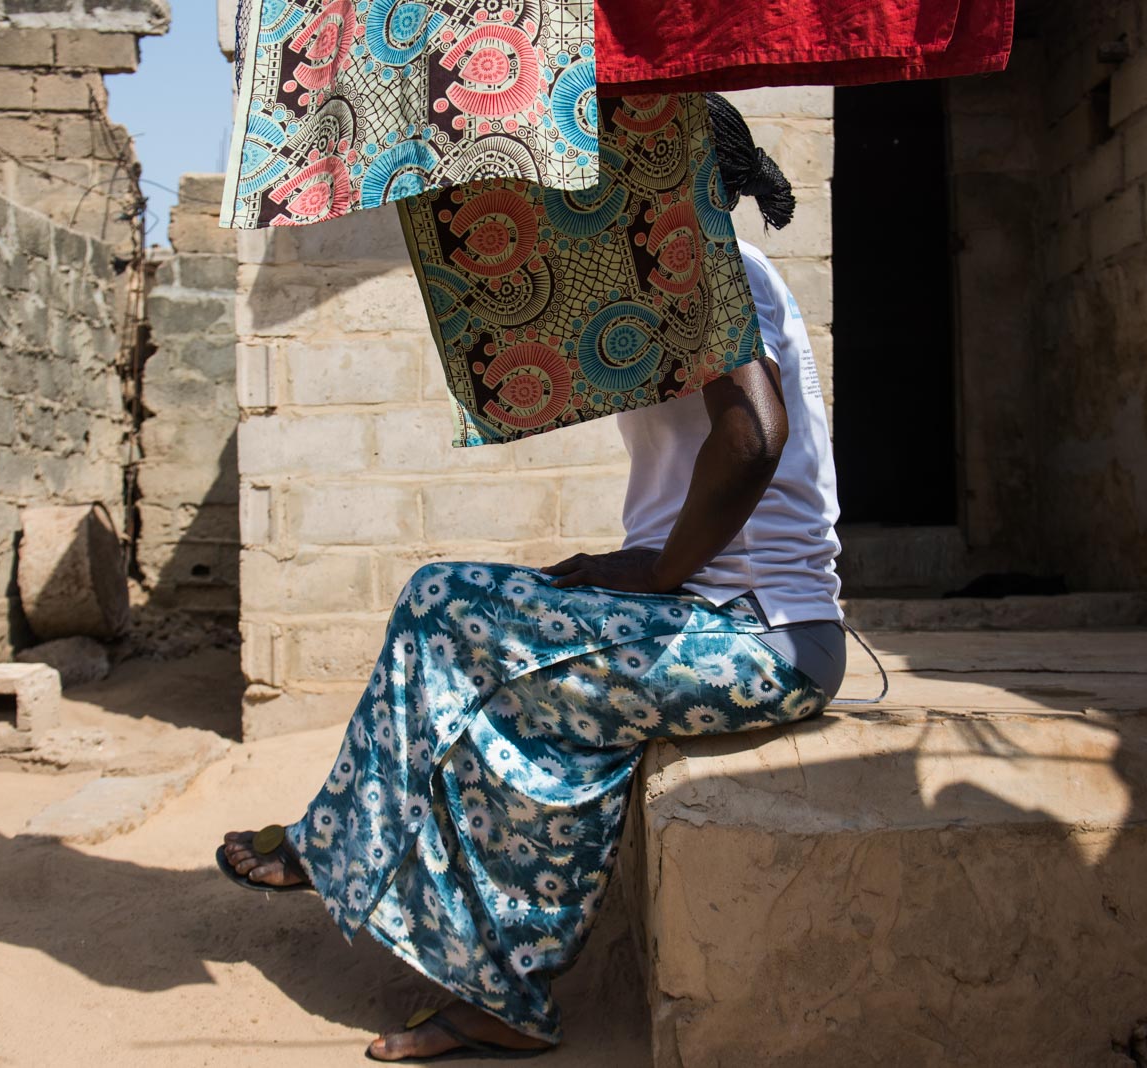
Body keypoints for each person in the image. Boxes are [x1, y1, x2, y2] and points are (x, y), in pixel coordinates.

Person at [218, 94, 846, 1062]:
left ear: (682, 183)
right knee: (504, 673)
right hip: (719, 622)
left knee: (442, 604)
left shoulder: (726, 274)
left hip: (761, 638)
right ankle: (496, 985)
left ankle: (342, 842)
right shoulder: (688, 284)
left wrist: (650, 574)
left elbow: (753, 438)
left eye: (628, 172)